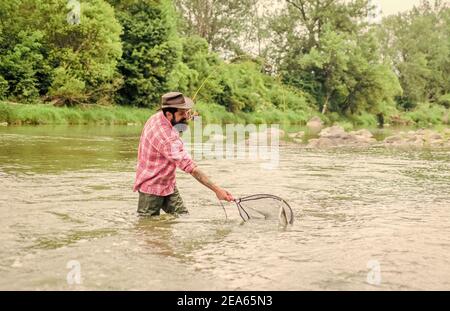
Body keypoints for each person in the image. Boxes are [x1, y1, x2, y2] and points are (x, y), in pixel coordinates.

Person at [133, 91, 234, 216]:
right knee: (147, 227)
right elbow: (191, 168)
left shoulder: (160, 116)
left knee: (183, 217)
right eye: (182, 113)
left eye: (186, 112)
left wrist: (191, 116)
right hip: (151, 188)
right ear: (169, 114)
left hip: (167, 184)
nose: (186, 116)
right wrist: (217, 190)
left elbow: (181, 120)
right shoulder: (167, 139)